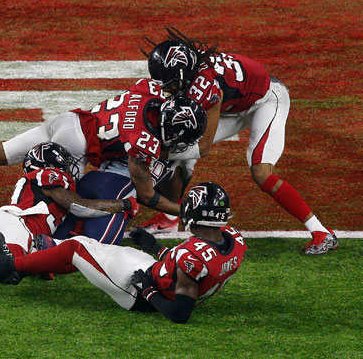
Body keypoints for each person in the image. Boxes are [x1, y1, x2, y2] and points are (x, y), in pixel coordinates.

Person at [141, 28, 337, 255]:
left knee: (261, 172)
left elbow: (203, 147)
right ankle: (169, 218)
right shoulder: (194, 73)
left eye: (170, 82)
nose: (166, 87)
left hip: (266, 101)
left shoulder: (206, 85)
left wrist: (159, 154)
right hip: (233, 104)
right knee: (180, 147)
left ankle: (321, 232)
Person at [0, 79, 207, 219]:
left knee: (1, 152)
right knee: (53, 207)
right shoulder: (142, 142)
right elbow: (147, 196)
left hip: (70, 120)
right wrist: (184, 211)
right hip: (76, 147)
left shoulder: (148, 89)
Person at [0, 182, 246, 324]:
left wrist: (147, 291)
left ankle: (10, 266)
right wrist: (154, 247)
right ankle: (28, 265)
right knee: (86, 244)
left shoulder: (192, 258)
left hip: (138, 292)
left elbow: (180, 314)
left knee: (76, 249)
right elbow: (185, 270)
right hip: (154, 273)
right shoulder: (233, 240)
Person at [0, 142, 141, 294]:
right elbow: (77, 206)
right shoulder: (48, 176)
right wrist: (122, 205)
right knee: (13, 270)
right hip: (21, 225)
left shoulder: (30, 182)